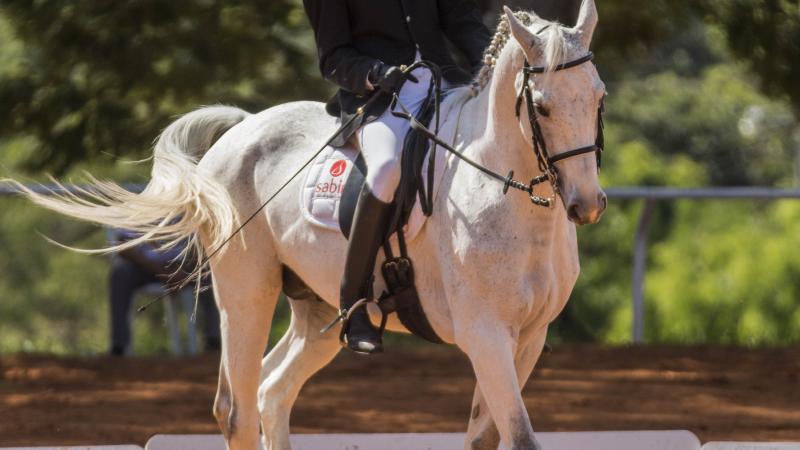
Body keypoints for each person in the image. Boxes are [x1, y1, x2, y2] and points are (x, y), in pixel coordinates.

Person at [303, 0, 491, 354]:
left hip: (446, 87)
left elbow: (461, 20)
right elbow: (333, 58)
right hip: (380, 99)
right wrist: (373, 72)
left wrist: (495, 61)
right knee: (387, 168)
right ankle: (354, 303)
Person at [108, 229, 220, 356]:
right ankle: (119, 347)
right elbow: (122, 245)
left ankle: (213, 342)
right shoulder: (135, 211)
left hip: (182, 265)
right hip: (144, 266)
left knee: (208, 273)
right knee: (120, 274)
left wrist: (185, 272)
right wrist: (163, 272)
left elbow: (203, 240)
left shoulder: (189, 209)